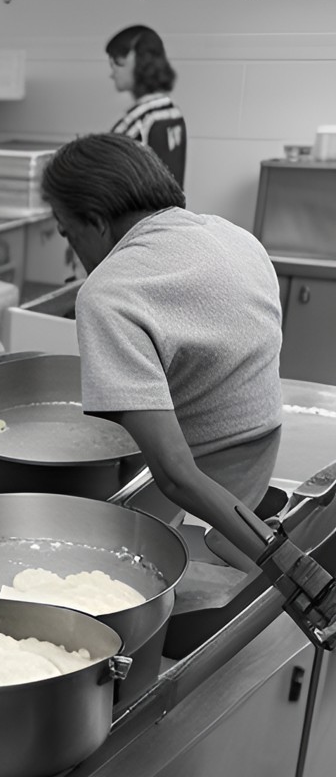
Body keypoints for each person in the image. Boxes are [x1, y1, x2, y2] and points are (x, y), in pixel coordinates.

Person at [40, 133, 283, 561]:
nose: (72, 251)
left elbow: (175, 476)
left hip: (203, 516)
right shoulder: (238, 239)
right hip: (257, 476)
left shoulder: (108, 292)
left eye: (67, 233)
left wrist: (287, 566)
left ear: (96, 221)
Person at [106, 25, 186, 187]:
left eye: (118, 59)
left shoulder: (138, 121)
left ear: (143, 59)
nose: (112, 71)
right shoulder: (173, 112)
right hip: (173, 210)